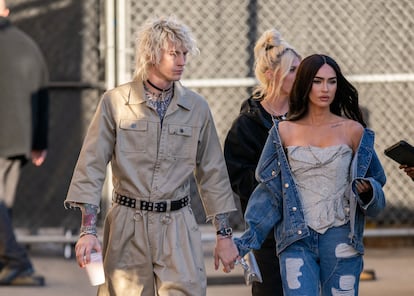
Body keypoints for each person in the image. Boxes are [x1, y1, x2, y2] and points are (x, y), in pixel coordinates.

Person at [64, 16, 239, 295]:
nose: (182, 60)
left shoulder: (196, 107)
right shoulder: (116, 102)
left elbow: (212, 172)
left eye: (184, 53)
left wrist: (224, 235)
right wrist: (87, 231)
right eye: (174, 53)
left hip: (177, 225)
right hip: (127, 225)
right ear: (151, 53)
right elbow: (91, 165)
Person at [233, 54, 386, 296]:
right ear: (305, 84)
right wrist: (247, 241)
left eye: (332, 81)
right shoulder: (282, 132)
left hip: (341, 237)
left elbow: (377, 182)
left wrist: (368, 189)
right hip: (295, 238)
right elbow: (269, 193)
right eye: (317, 81)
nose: (325, 89)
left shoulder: (354, 131)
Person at [224, 29, 301, 295]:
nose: (299, 77)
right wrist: (276, 186)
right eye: (292, 70)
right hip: (268, 233)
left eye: (300, 70)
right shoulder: (249, 122)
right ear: (271, 75)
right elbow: (238, 177)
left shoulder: (310, 115)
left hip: (309, 227)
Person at [0, 0, 49, 286]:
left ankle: (18, 262)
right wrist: (39, 142)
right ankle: (8, 262)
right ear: (7, 11)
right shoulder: (28, 45)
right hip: (20, 140)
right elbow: (43, 95)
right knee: (4, 204)